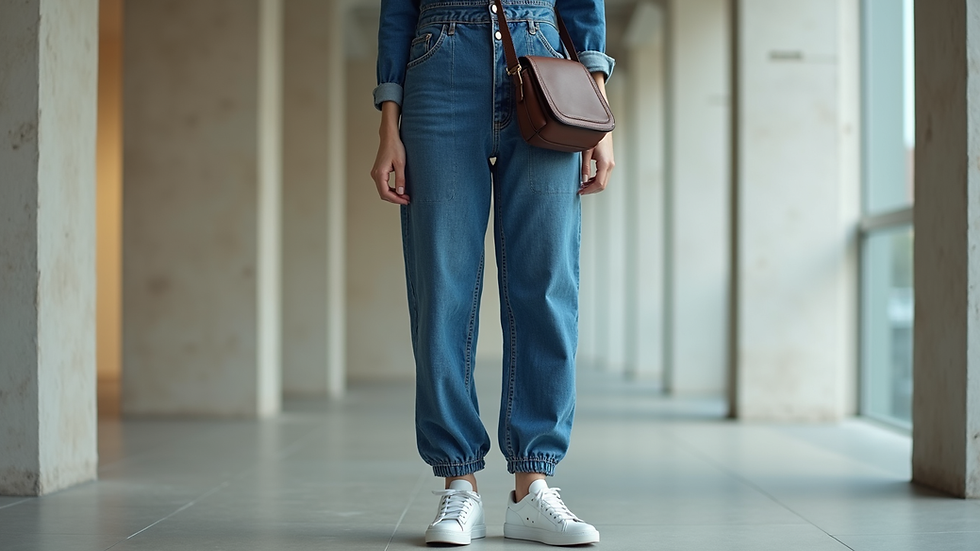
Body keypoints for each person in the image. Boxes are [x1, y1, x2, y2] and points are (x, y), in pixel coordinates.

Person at [370, 0, 614, 546]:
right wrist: (389, 122)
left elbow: (582, 5)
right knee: (442, 286)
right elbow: (397, 10)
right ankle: (460, 482)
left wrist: (597, 103)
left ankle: (533, 485)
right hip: (439, 62)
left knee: (547, 285)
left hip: (544, 59)